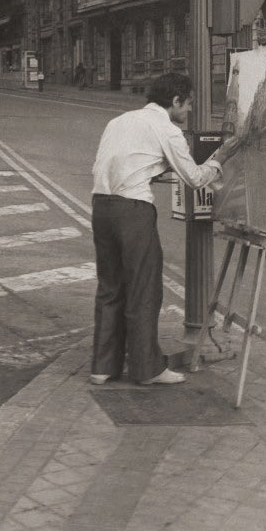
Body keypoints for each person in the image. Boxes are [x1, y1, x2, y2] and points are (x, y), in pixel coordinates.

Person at [90, 71, 244, 388]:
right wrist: (220, 159)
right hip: (133, 211)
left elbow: (122, 162)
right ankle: (147, 369)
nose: (188, 113)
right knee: (144, 288)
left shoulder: (119, 121)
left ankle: (103, 367)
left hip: (101, 206)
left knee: (110, 287)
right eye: (187, 105)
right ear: (174, 101)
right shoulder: (166, 128)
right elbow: (196, 178)